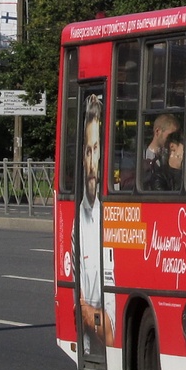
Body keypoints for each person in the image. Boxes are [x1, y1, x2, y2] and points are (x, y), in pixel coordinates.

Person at [75, 93, 113, 354]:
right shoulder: (78, 216)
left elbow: (111, 334)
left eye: (96, 150)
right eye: (87, 151)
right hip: (92, 342)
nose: (91, 161)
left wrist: (88, 312)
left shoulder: (111, 213)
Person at [143, 113, 180, 189]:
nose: (172, 140)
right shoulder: (140, 158)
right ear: (158, 132)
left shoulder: (174, 157)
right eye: (169, 136)